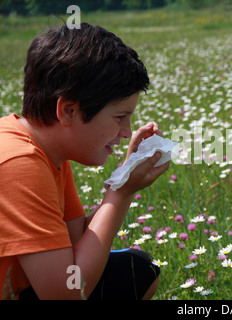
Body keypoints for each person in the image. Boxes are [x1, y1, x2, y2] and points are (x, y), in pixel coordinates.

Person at [0, 22, 169, 300]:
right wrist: (120, 191)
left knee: (138, 271)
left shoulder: (45, 149)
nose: (126, 131)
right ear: (68, 111)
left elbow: (75, 239)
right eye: (119, 117)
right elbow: (67, 294)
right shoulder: (18, 163)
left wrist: (124, 176)